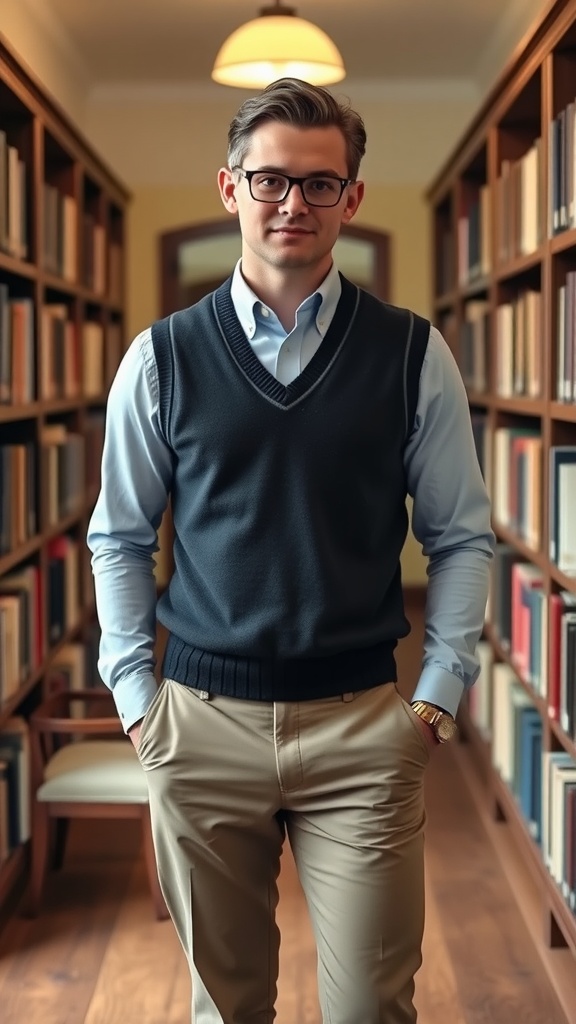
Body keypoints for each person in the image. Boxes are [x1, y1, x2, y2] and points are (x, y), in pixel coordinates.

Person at [87, 77, 494, 1024]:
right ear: (230, 188)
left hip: (360, 731)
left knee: (372, 1011)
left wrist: (435, 700)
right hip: (198, 725)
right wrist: (138, 702)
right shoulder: (161, 357)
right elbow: (117, 534)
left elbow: (459, 537)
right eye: (270, 181)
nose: (292, 205)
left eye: (319, 185)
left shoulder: (409, 354)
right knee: (225, 1008)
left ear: (351, 199)